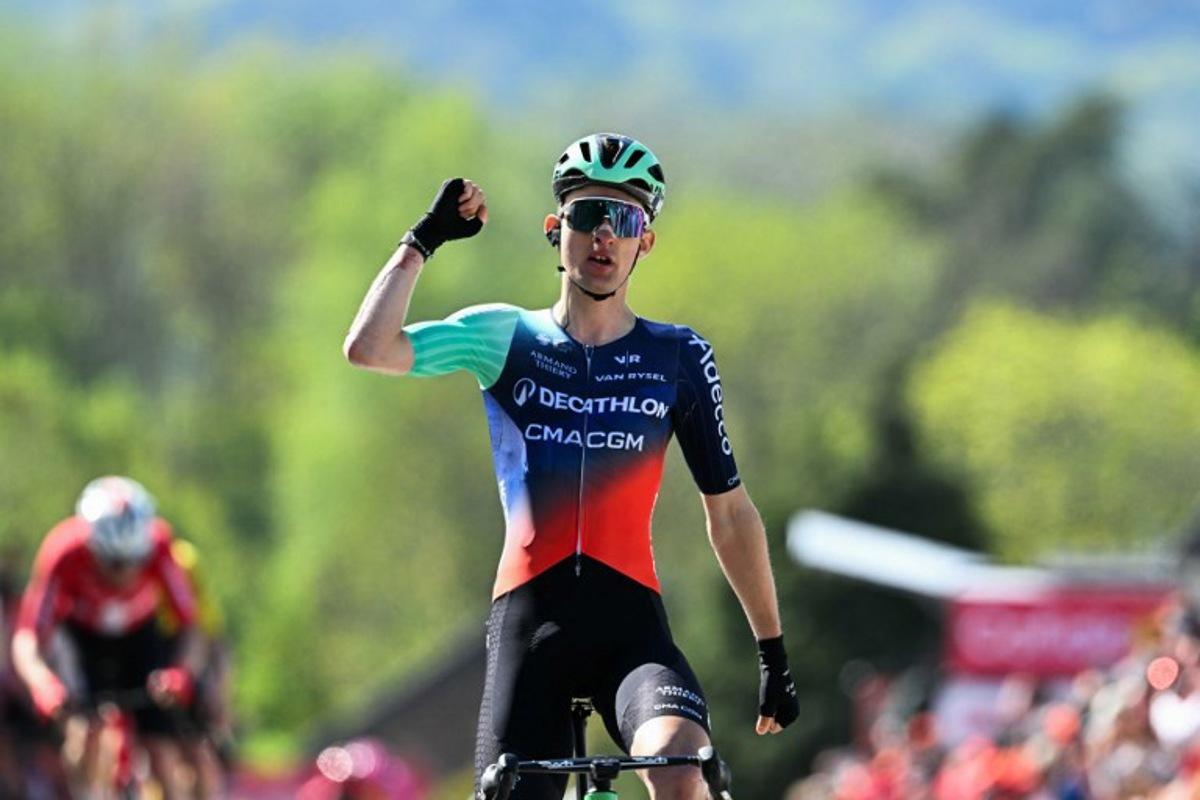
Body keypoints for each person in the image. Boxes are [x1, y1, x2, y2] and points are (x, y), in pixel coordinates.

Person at [344, 132, 799, 800]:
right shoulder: (506, 337)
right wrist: (423, 241)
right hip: (532, 630)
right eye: (588, 216)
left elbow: (728, 512)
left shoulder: (678, 358)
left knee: (684, 767)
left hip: (631, 634)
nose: (603, 237)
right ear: (556, 230)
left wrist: (773, 650)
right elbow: (368, 348)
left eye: (625, 221)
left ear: (646, 240)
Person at [11, 475, 206, 800]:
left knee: (160, 746)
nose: (123, 573)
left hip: (140, 638)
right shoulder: (64, 551)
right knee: (83, 736)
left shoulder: (160, 545)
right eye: (112, 563)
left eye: (133, 562)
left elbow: (192, 628)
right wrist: (42, 684)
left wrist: (182, 672)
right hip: (85, 639)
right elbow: (27, 638)